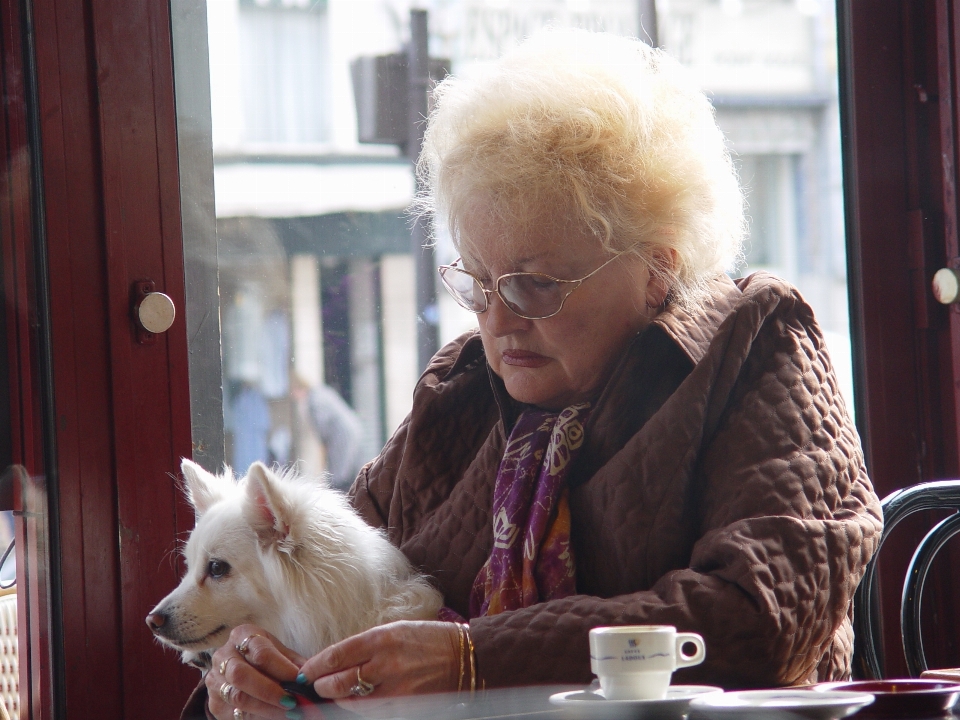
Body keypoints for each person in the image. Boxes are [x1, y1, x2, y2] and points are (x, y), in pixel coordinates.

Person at [187, 29, 882, 720]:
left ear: (656, 270)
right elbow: (317, 579)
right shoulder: (457, 393)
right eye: (479, 282)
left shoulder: (753, 343)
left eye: (537, 284)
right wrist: (242, 679)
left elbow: (759, 616)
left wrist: (475, 659)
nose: (498, 320)